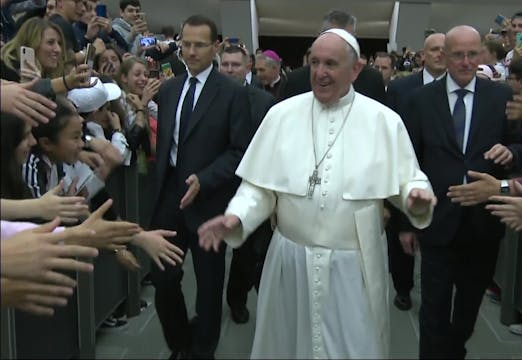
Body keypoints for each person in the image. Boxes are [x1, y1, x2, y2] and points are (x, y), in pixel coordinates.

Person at [198, 28, 436, 359]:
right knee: (288, 346)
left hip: (354, 266)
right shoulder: (281, 115)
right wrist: (237, 216)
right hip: (291, 260)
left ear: (355, 70)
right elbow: (259, 187)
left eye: (331, 64)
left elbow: (409, 178)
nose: (320, 73)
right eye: (315, 63)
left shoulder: (384, 121)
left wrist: (415, 196)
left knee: (353, 347)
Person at [400, 25, 522, 358]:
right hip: (436, 219)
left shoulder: (501, 97)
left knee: (469, 307)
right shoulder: (420, 101)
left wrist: (511, 153)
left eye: (473, 54)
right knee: (433, 308)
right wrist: (405, 222)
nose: (466, 61)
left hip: (482, 224)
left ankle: (455, 350)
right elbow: (408, 162)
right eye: (458, 54)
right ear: (444, 55)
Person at [149, 15, 251, 359]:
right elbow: (166, 144)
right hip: (169, 199)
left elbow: (240, 151)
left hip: (209, 202)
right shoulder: (168, 89)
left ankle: (203, 350)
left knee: (208, 287)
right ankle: (180, 342)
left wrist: (205, 178)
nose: (190, 52)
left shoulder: (233, 94)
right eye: (185, 44)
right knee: (163, 280)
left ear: (216, 47)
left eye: (199, 45)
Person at [384, 31, 446, 312]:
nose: (440, 54)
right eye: (434, 49)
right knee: (403, 236)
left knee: (438, 236)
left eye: (446, 50)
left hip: (442, 173)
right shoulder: (401, 89)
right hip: (404, 168)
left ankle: (437, 290)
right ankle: (403, 288)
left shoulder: (460, 88)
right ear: (422, 56)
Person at [218, 44, 275, 324]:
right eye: (225, 64)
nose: (229, 70)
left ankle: (239, 300)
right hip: (215, 187)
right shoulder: (209, 98)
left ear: (248, 67)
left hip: (251, 188)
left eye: (235, 65)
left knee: (249, 251)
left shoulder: (263, 102)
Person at [280, 9, 386, 104]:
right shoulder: (294, 81)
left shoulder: (372, 79)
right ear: (319, 36)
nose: (321, 74)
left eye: (344, 39)